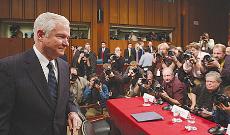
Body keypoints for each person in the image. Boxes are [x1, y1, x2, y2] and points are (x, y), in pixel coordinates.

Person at [0, 12, 82, 135]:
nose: (67, 43)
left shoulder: (64, 66)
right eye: (61, 37)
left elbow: (67, 96)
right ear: (41, 35)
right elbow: (3, 121)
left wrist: (72, 111)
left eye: (67, 38)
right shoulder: (9, 68)